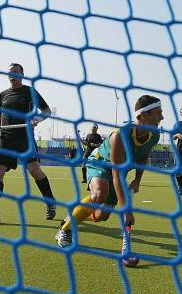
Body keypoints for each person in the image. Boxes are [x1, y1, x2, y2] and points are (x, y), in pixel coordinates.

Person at [55, 95, 163, 248]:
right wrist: (126, 210)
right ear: (144, 115)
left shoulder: (154, 136)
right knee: (100, 194)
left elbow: (143, 155)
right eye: (158, 113)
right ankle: (64, 229)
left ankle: (75, 214)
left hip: (118, 171)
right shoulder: (120, 136)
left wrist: (137, 180)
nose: (162, 117)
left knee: (101, 216)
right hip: (99, 162)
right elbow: (116, 174)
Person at [0, 63, 56, 224]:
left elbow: (46, 111)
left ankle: (50, 203)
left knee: (34, 171)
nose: (12, 76)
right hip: (5, 140)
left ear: (22, 74)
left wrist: (37, 119)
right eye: (10, 73)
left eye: (15, 72)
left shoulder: (30, 92)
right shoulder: (2, 95)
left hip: (25, 140)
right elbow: (1, 117)